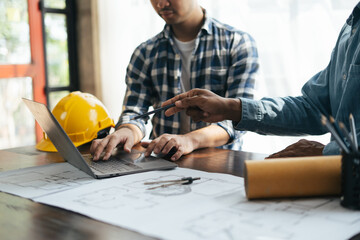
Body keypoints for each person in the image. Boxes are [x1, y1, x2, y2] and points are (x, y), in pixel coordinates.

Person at [162, 2, 360, 158]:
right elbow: (316, 108)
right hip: (343, 187)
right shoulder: (351, 27)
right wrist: (231, 108)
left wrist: (326, 154)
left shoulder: (236, 41)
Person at [90, 0, 259, 161]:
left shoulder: (237, 43)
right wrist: (126, 131)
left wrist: (189, 140)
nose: (161, 4)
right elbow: (135, 113)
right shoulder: (145, 53)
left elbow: (239, 119)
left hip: (221, 164)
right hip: (161, 166)